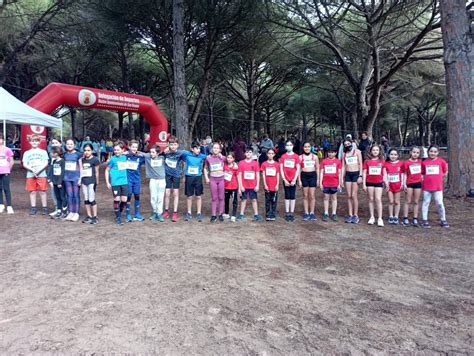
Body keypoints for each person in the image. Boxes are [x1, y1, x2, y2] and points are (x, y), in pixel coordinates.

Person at [420, 145, 449, 228]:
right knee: (426, 202)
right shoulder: (424, 162)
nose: (433, 153)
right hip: (427, 187)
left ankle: (443, 219)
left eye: (435, 152)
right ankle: (424, 220)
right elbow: (422, 173)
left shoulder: (441, 161)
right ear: (428, 152)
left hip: (438, 187)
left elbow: (445, 171)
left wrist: (440, 179)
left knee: (439, 203)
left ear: (438, 153)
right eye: (431, 151)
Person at [22, 134, 49, 215]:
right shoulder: (27, 153)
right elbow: (25, 163)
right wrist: (32, 170)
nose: (34, 142)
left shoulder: (43, 152)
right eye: (32, 141)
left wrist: (38, 170)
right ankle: (33, 207)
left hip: (41, 174)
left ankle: (45, 207)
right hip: (30, 174)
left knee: (42, 191)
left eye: (36, 141)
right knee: (32, 191)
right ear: (30, 142)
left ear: (39, 142)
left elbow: (46, 163)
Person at [162, 136, 185, 222]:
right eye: (171, 144)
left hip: (176, 175)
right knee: (167, 193)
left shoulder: (180, 153)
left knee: (175, 193)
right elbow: (156, 153)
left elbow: (186, 159)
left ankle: (175, 212)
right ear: (168, 145)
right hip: (167, 175)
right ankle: (166, 211)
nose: (173, 146)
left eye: (175, 144)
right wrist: (163, 150)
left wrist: (183, 173)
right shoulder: (166, 153)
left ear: (178, 145)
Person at [105, 141, 128, 225]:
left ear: (122, 150)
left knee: (124, 200)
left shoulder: (125, 157)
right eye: (115, 150)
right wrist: (107, 182)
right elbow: (107, 170)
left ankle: (119, 212)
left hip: (124, 182)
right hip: (115, 182)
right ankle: (118, 217)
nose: (116, 151)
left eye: (118, 150)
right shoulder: (112, 159)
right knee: (117, 199)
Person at [183, 142, 207, 222]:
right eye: (196, 148)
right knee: (189, 196)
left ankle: (199, 213)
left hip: (198, 178)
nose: (198, 150)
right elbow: (177, 152)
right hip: (189, 177)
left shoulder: (202, 156)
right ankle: (189, 213)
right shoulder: (186, 154)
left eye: (199, 148)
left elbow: (210, 157)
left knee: (198, 196)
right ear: (192, 149)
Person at [363, 144, 386, 227]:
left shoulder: (382, 161)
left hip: (379, 182)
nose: (375, 151)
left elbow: (384, 172)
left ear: (379, 151)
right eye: (373, 150)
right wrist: (364, 184)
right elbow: (365, 172)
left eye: (377, 150)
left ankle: (380, 218)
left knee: (378, 199)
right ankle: (372, 217)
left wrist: (386, 181)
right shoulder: (367, 161)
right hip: (369, 182)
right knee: (371, 199)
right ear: (370, 151)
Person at [237, 147, 263, 221]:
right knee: (243, 200)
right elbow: (239, 175)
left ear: (252, 153)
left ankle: (256, 214)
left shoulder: (255, 163)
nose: (248, 154)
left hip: (253, 185)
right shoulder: (241, 163)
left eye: (250, 152)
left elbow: (257, 174)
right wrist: (240, 186)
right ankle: (241, 214)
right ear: (244, 153)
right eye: (247, 152)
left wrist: (257, 185)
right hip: (244, 186)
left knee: (254, 200)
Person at [341, 138, 363, 223]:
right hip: (348, 175)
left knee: (354, 195)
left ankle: (355, 215)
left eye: (348, 144)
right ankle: (350, 214)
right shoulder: (344, 154)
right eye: (345, 145)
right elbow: (343, 166)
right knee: (349, 195)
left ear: (351, 143)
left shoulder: (357, 152)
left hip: (356, 174)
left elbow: (361, 164)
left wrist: (360, 175)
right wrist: (341, 178)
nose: (347, 145)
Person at [204, 142, 226, 223]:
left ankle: (220, 214)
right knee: (214, 198)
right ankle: (213, 215)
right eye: (214, 148)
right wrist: (206, 178)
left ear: (220, 149)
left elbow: (230, 162)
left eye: (217, 148)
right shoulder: (208, 158)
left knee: (221, 197)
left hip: (221, 179)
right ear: (211, 149)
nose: (215, 149)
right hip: (213, 179)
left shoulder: (223, 158)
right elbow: (205, 168)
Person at [143, 144, 166, 222]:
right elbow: (139, 153)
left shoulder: (162, 158)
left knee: (160, 197)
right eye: (150, 152)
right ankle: (155, 212)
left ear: (157, 153)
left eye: (153, 152)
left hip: (162, 180)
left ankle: (159, 213)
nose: (151, 154)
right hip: (153, 180)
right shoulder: (148, 157)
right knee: (153, 197)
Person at [320, 145, 342, 221]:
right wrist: (320, 183)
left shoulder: (338, 161)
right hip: (326, 183)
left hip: (334, 183)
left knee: (334, 198)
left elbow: (339, 173)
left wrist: (339, 183)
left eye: (332, 152)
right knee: (326, 198)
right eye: (329, 152)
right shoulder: (324, 161)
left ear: (335, 153)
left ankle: (334, 213)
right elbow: (322, 172)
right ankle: (326, 213)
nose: (330, 154)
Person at [79, 143, 100, 224]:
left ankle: (95, 216)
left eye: (88, 150)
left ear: (92, 150)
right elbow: (81, 170)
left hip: (92, 181)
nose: (86, 152)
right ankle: (89, 216)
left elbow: (97, 172)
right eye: (85, 150)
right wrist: (80, 180)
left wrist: (96, 181)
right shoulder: (82, 160)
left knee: (92, 199)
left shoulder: (95, 160)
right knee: (86, 199)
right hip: (84, 181)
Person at [280, 139, 301, 222]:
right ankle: (287, 212)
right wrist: (284, 179)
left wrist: (294, 179)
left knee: (292, 196)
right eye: (287, 145)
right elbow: (281, 168)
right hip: (286, 179)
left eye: (290, 145)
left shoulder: (296, 156)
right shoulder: (283, 156)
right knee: (287, 195)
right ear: (285, 147)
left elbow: (298, 168)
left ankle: (291, 213)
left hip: (293, 179)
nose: (289, 146)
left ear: (293, 146)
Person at [125, 140, 145, 222]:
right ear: (129, 147)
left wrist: (142, 153)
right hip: (128, 180)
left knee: (137, 195)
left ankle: (137, 213)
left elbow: (149, 157)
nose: (134, 149)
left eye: (136, 147)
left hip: (137, 180)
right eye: (133, 147)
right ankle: (128, 214)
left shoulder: (140, 157)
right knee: (128, 196)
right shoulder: (125, 156)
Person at [298, 141, 319, 221]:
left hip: (313, 176)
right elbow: (299, 169)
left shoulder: (315, 157)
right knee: (305, 195)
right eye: (305, 147)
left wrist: (318, 179)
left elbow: (317, 168)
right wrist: (299, 180)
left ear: (311, 147)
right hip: (304, 176)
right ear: (303, 148)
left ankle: (312, 213)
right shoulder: (300, 157)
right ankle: (306, 213)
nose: (307, 148)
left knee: (312, 195)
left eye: (308, 147)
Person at [402, 146, 423, 226]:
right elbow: (405, 174)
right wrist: (404, 184)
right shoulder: (406, 162)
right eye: (414, 152)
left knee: (416, 201)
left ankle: (415, 218)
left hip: (418, 183)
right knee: (408, 200)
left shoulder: (420, 162)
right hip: (409, 183)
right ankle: (405, 218)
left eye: (417, 153)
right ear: (410, 152)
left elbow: (422, 173)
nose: (415, 154)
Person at [384, 148, 405, 225]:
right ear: (389, 155)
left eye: (395, 154)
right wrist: (386, 183)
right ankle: (391, 216)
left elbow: (403, 174)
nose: (393, 156)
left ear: (398, 155)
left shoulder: (401, 163)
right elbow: (385, 174)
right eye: (391, 154)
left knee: (397, 201)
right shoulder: (386, 164)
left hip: (398, 185)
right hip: (389, 186)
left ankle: (396, 216)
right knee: (391, 201)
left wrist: (403, 183)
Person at [63, 138, 82, 222]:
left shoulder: (78, 155)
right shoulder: (64, 155)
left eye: (71, 144)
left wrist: (80, 178)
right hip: (67, 178)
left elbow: (81, 167)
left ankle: (76, 213)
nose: (69, 146)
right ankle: (70, 211)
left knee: (76, 195)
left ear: (74, 145)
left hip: (76, 178)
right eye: (68, 144)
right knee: (69, 195)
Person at [48, 146, 68, 219]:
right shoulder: (54, 161)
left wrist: (60, 182)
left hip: (60, 182)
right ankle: (59, 211)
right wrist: (51, 180)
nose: (50, 153)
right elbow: (53, 171)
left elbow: (62, 172)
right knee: (58, 197)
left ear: (56, 153)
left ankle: (65, 211)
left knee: (63, 197)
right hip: (55, 182)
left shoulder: (62, 161)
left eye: (52, 152)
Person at [261, 148, 279, 221]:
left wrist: (277, 184)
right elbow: (263, 175)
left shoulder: (276, 164)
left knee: (274, 200)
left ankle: (273, 214)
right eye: (269, 153)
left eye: (272, 153)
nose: (270, 155)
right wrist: (265, 184)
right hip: (267, 186)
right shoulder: (264, 164)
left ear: (274, 154)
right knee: (267, 200)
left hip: (274, 186)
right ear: (267, 154)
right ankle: (268, 214)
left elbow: (277, 175)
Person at [0, 134, 14, 214]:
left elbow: (11, 161)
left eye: (0, 139)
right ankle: (1, 204)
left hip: (5, 171)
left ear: (3, 140)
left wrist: (9, 169)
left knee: (6, 188)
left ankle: (9, 206)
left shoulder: (7, 149)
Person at [223, 152, 239, 222]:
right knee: (226, 200)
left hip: (233, 187)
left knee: (234, 201)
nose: (229, 159)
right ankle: (226, 213)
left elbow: (238, 176)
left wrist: (239, 186)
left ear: (233, 159)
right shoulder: (224, 166)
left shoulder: (235, 167)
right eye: (228, 157)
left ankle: (234, 215)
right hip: (226, 186)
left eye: (231, 158)